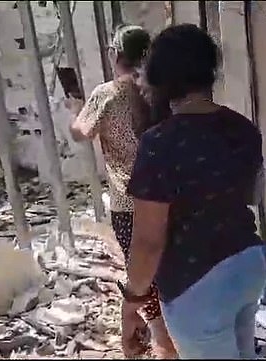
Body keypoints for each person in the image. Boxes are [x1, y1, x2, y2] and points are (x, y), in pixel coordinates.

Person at [120, 24, 266, 359]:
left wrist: (131, 303)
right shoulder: (242, 128)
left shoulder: (158, 143)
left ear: (160, 78)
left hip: (199, 284)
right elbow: (252, 195)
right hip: (247, 265)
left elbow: (148, 242)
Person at [65, 24, 177, 359]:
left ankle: (162, 343)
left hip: (128, 203)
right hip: (169, 198)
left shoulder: (107, 94)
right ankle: (171, 334)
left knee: (143, 274)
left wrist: (76, 110)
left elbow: (80, 133)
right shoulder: (159, 92)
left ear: (114, 54)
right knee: (168, 268)